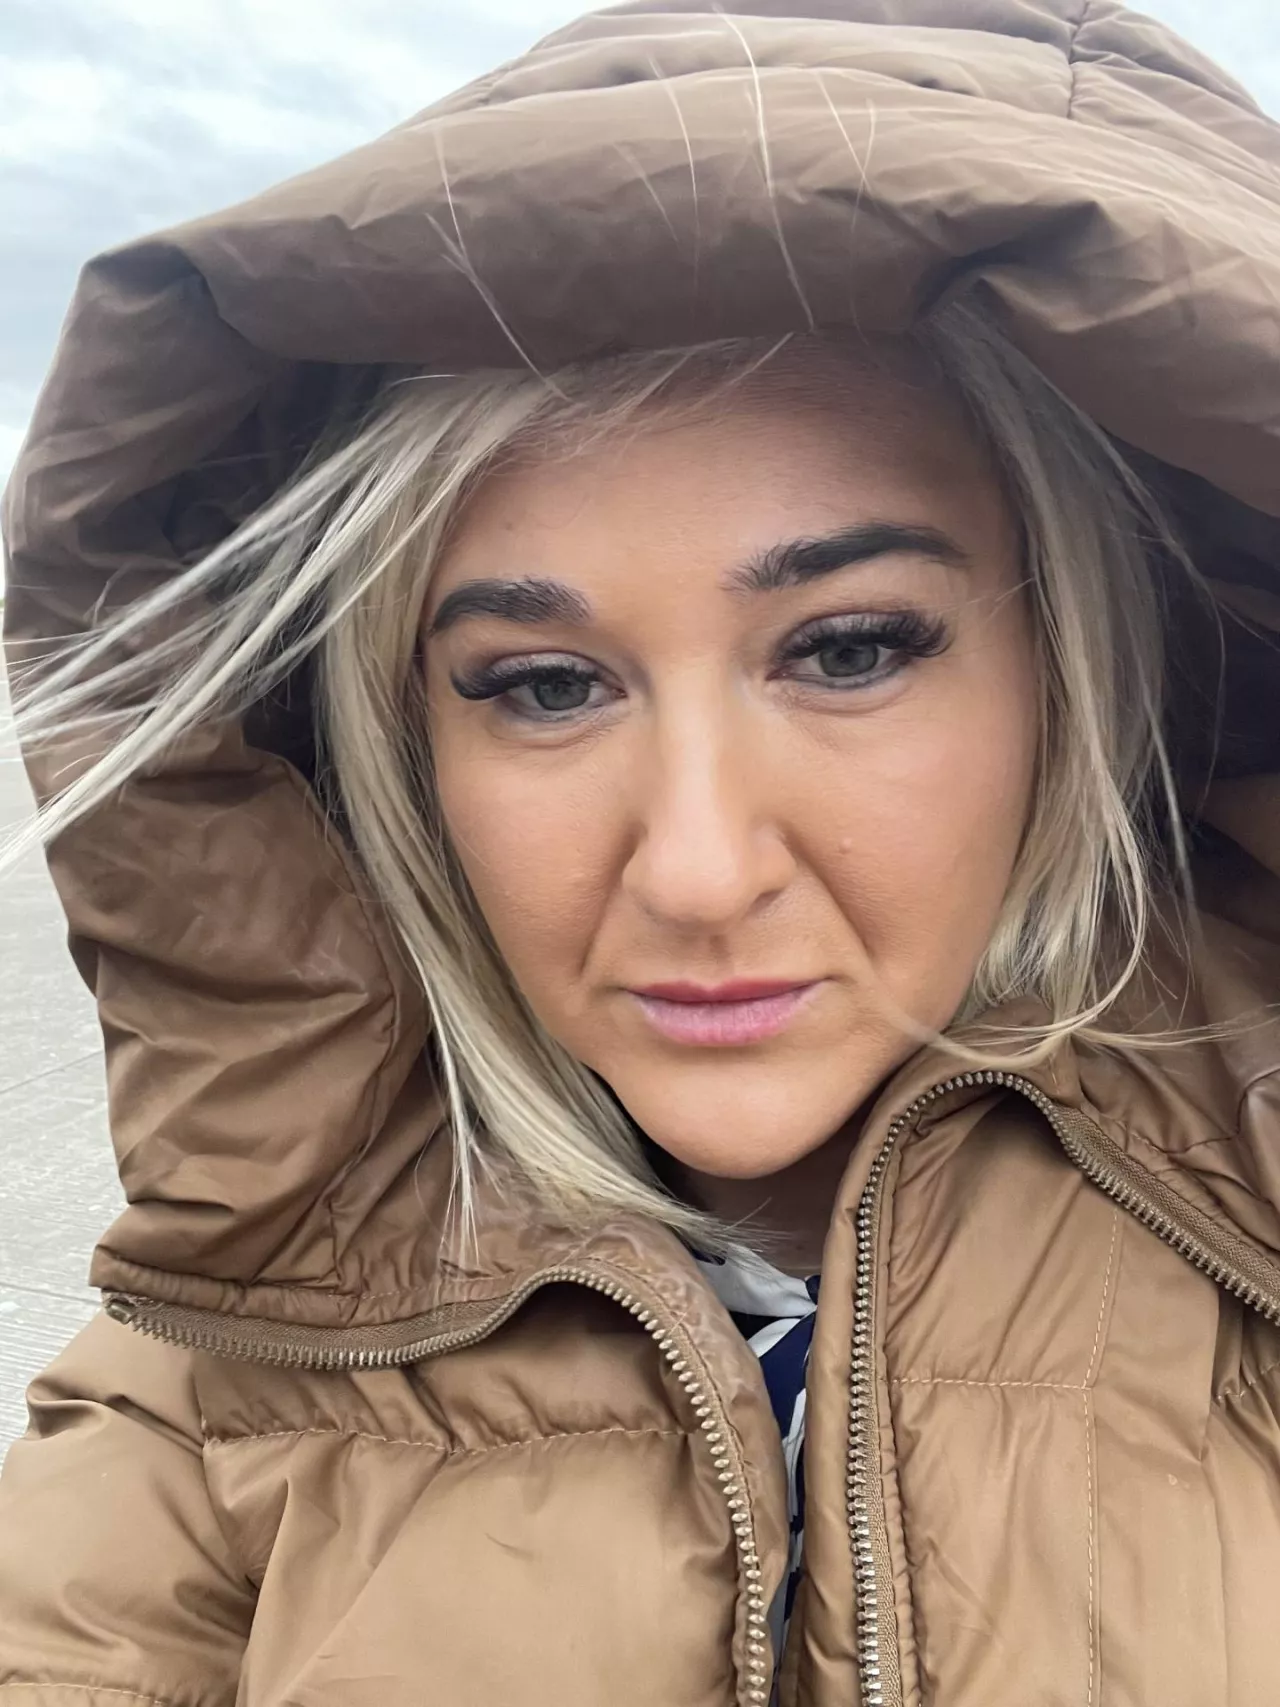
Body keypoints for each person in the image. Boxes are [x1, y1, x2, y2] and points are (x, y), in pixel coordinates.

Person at [4, 0, 1280, 1702]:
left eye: (848, 649)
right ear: (399, 746)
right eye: (544, 684)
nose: (694, 870)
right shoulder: (208, 1397)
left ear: (1086, 665)